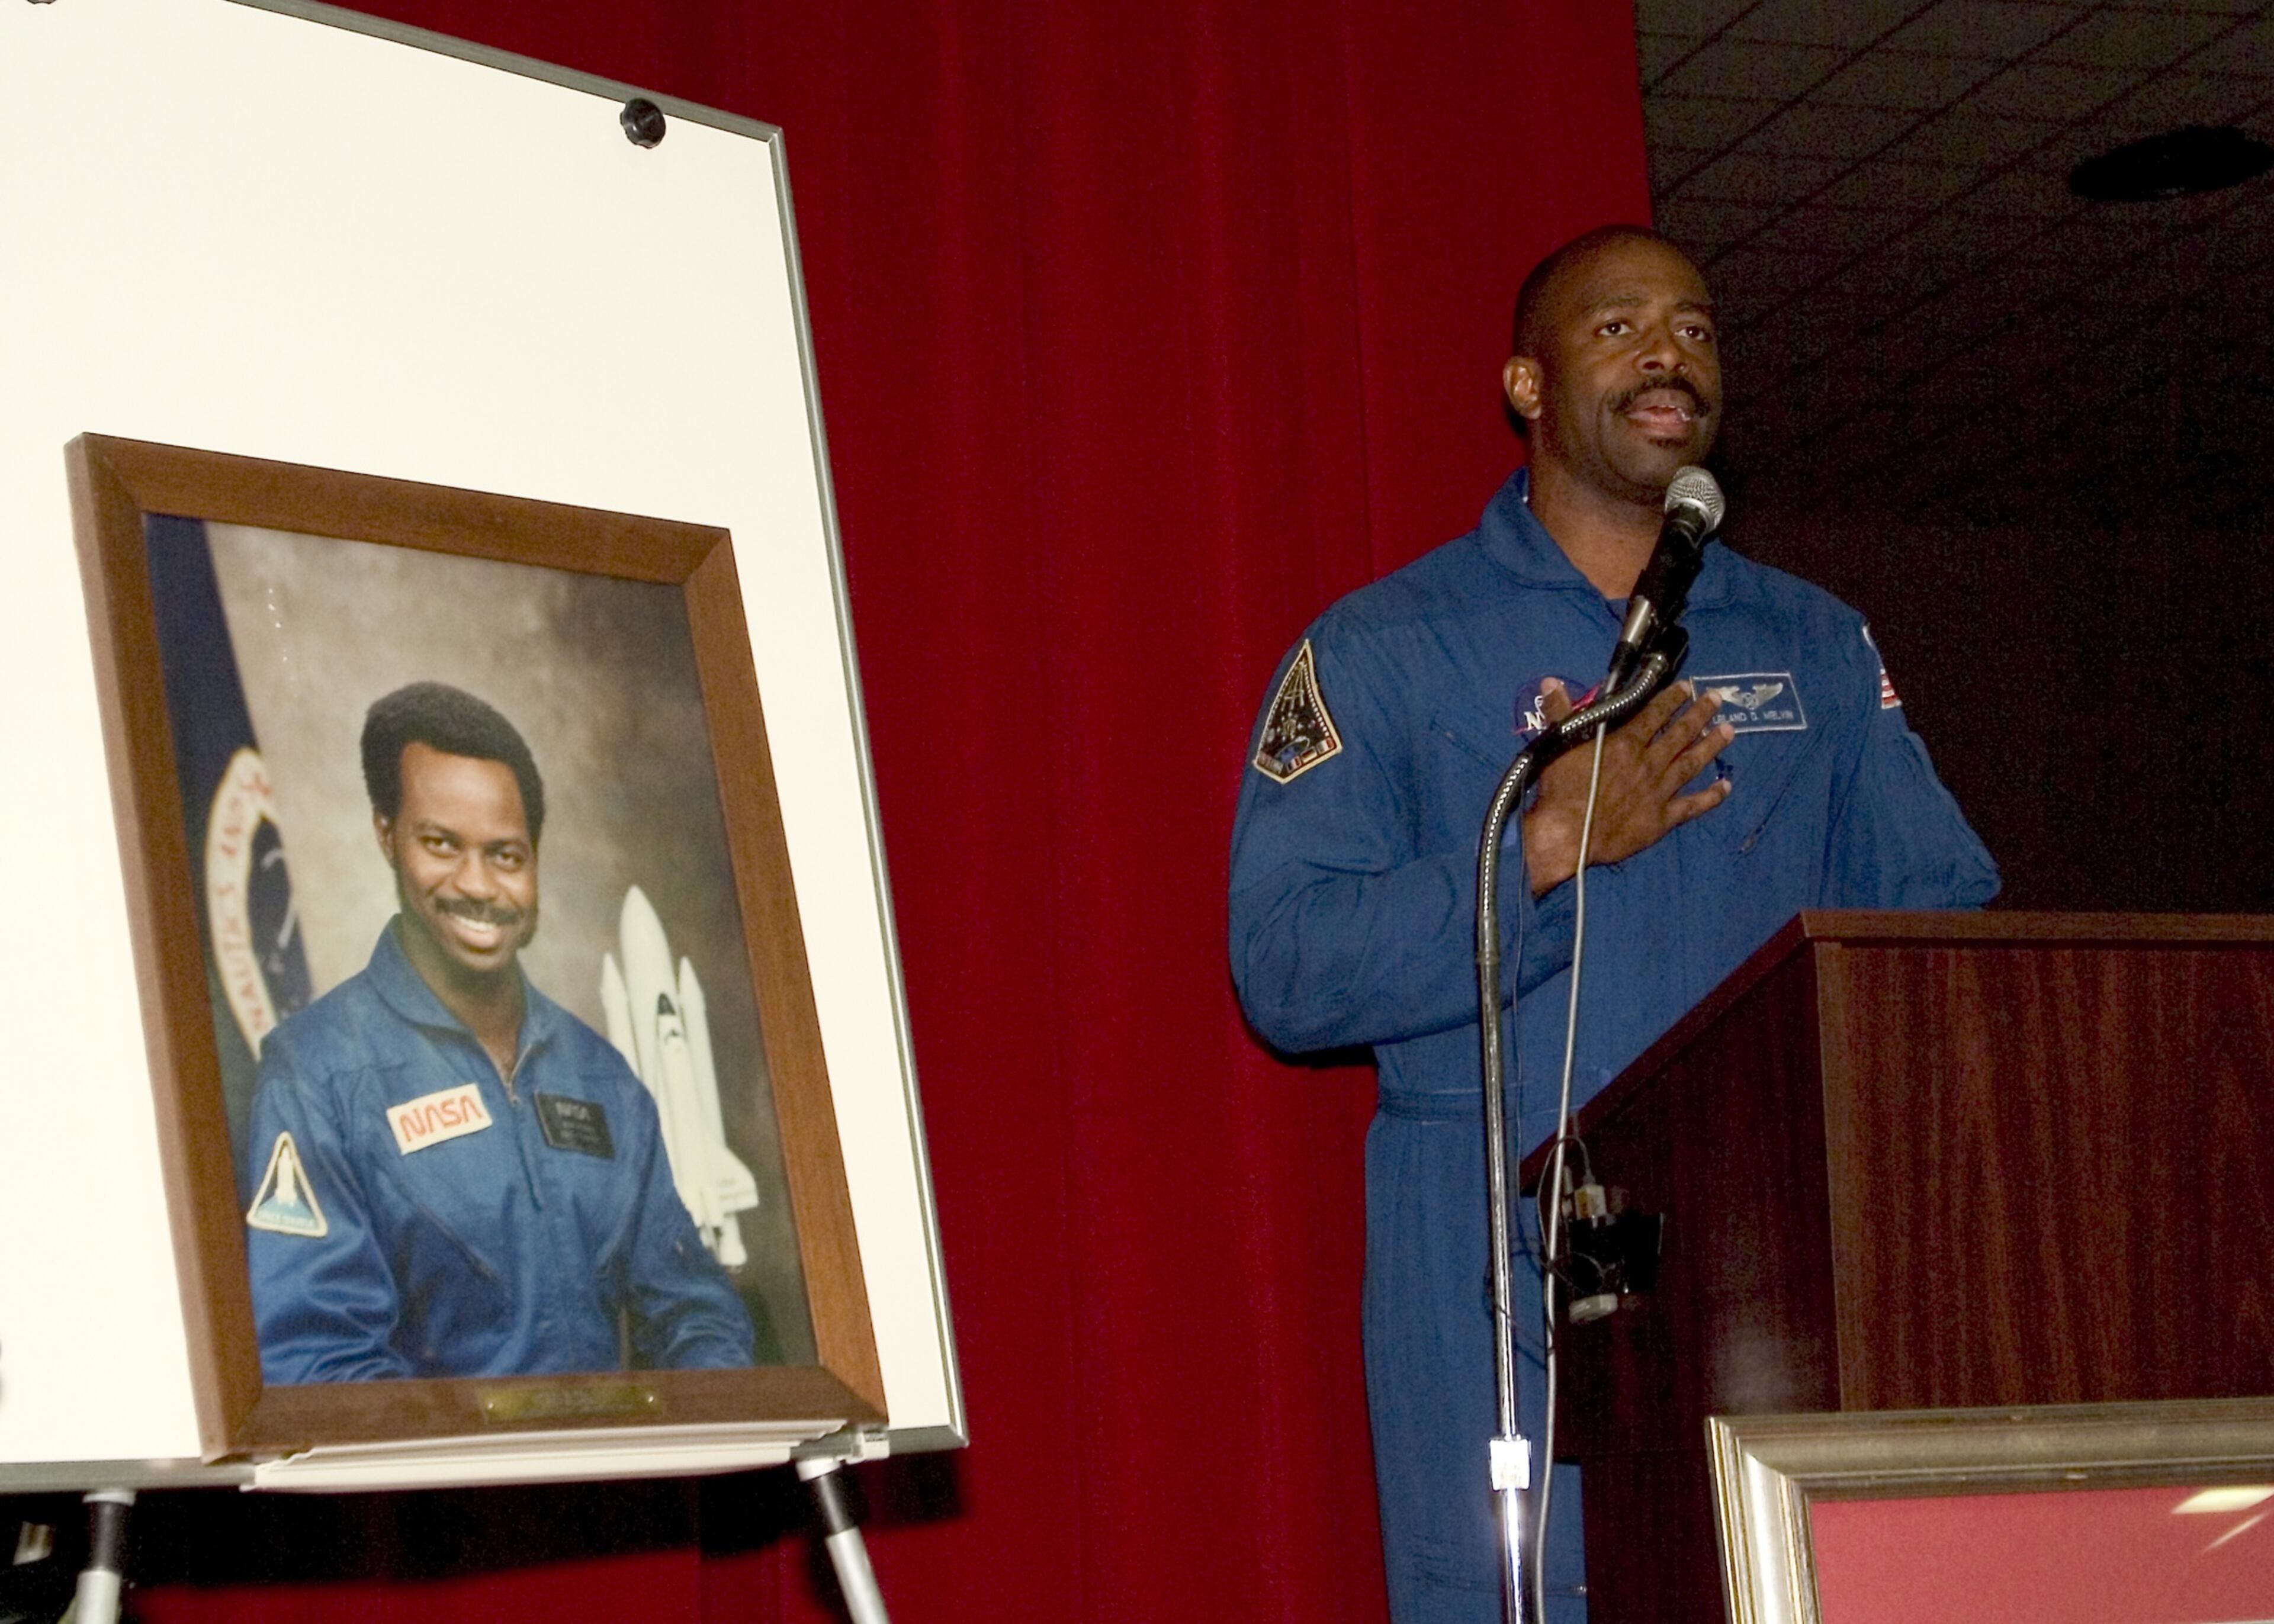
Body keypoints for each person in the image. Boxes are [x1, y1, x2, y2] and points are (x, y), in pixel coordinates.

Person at [1228, 226, 1997, 1623]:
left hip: (1770, 1281)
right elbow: (1284, 963)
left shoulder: (1809, 641)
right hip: (1491, 1289)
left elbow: (1937, 941)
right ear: (1524, 384)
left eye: (1695, 329)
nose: (1669, 354)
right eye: (1620, 326)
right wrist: (1538, 848)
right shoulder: (1386, 645)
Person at [238, 681, 756, 1382]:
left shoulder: (603, 1080)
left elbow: (696, 1309)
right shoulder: (317, 1076)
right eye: (442, 844)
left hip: (621, 1484)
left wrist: (696, 1421)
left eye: (506, 855)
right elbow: (318, 1361)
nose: (478, 884)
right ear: (386, 833)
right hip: (433, 1489)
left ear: (535, 861)